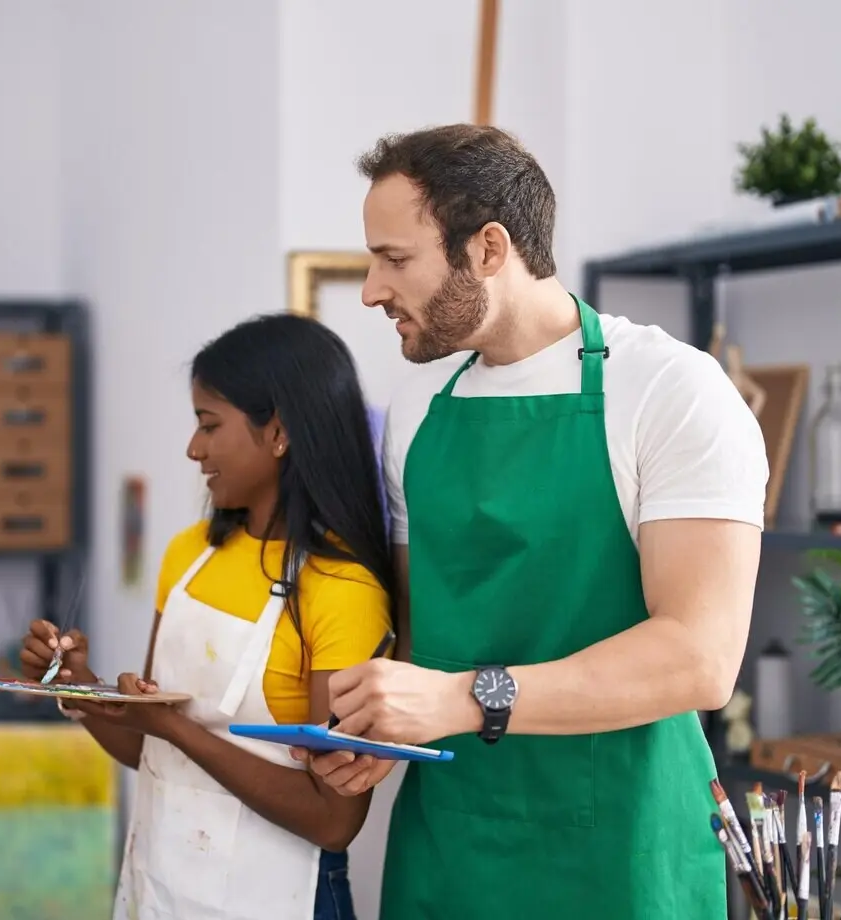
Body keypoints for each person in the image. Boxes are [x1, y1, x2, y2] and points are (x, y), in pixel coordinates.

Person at [293, 124, 769, 918]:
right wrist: (374, 731)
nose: (372, 290)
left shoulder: (670, 391)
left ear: (487, 249)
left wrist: (463, 700)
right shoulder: (417, 410)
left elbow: (699, 658)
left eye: (395, 259)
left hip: (622, 850)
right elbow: (426, 636)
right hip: (452, 842)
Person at [18, 313, 395, 920]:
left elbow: (334, 818)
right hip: (163, 888)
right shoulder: (188, 554)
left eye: (209, 424)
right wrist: (75, 684)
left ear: (278, 432)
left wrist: (178, 729)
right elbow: (148, 749)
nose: (193, 448)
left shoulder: (343, 588)